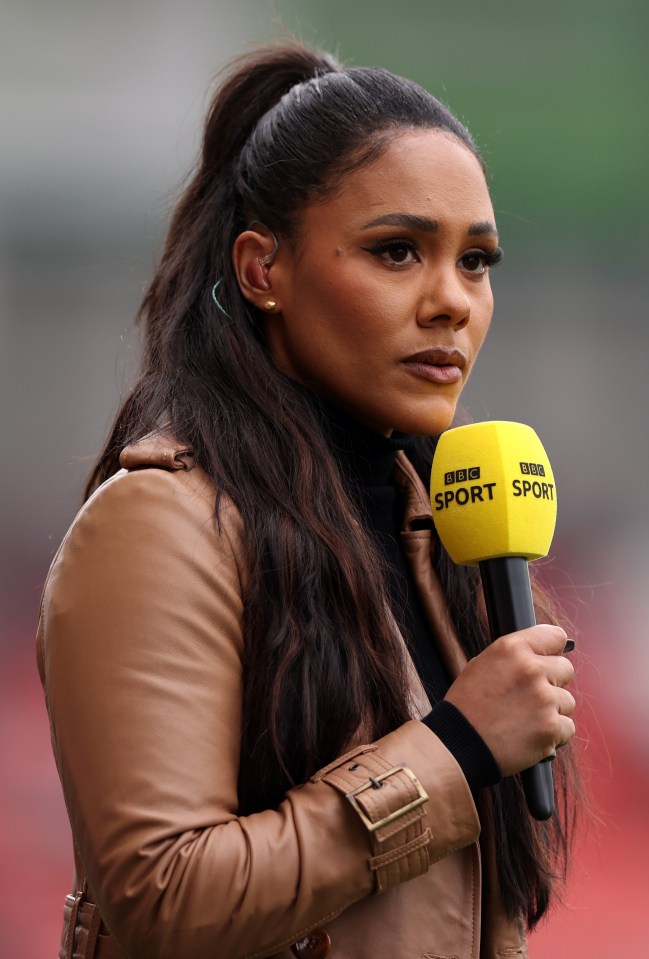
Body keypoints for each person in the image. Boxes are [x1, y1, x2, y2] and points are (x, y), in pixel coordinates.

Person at [37, 43, 577, 959]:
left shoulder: (436, 527)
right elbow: (164, 897)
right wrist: (452, 751)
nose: (451, 300)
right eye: (397, 251)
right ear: (262, 270)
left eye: (476, 261)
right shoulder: (159, 524)